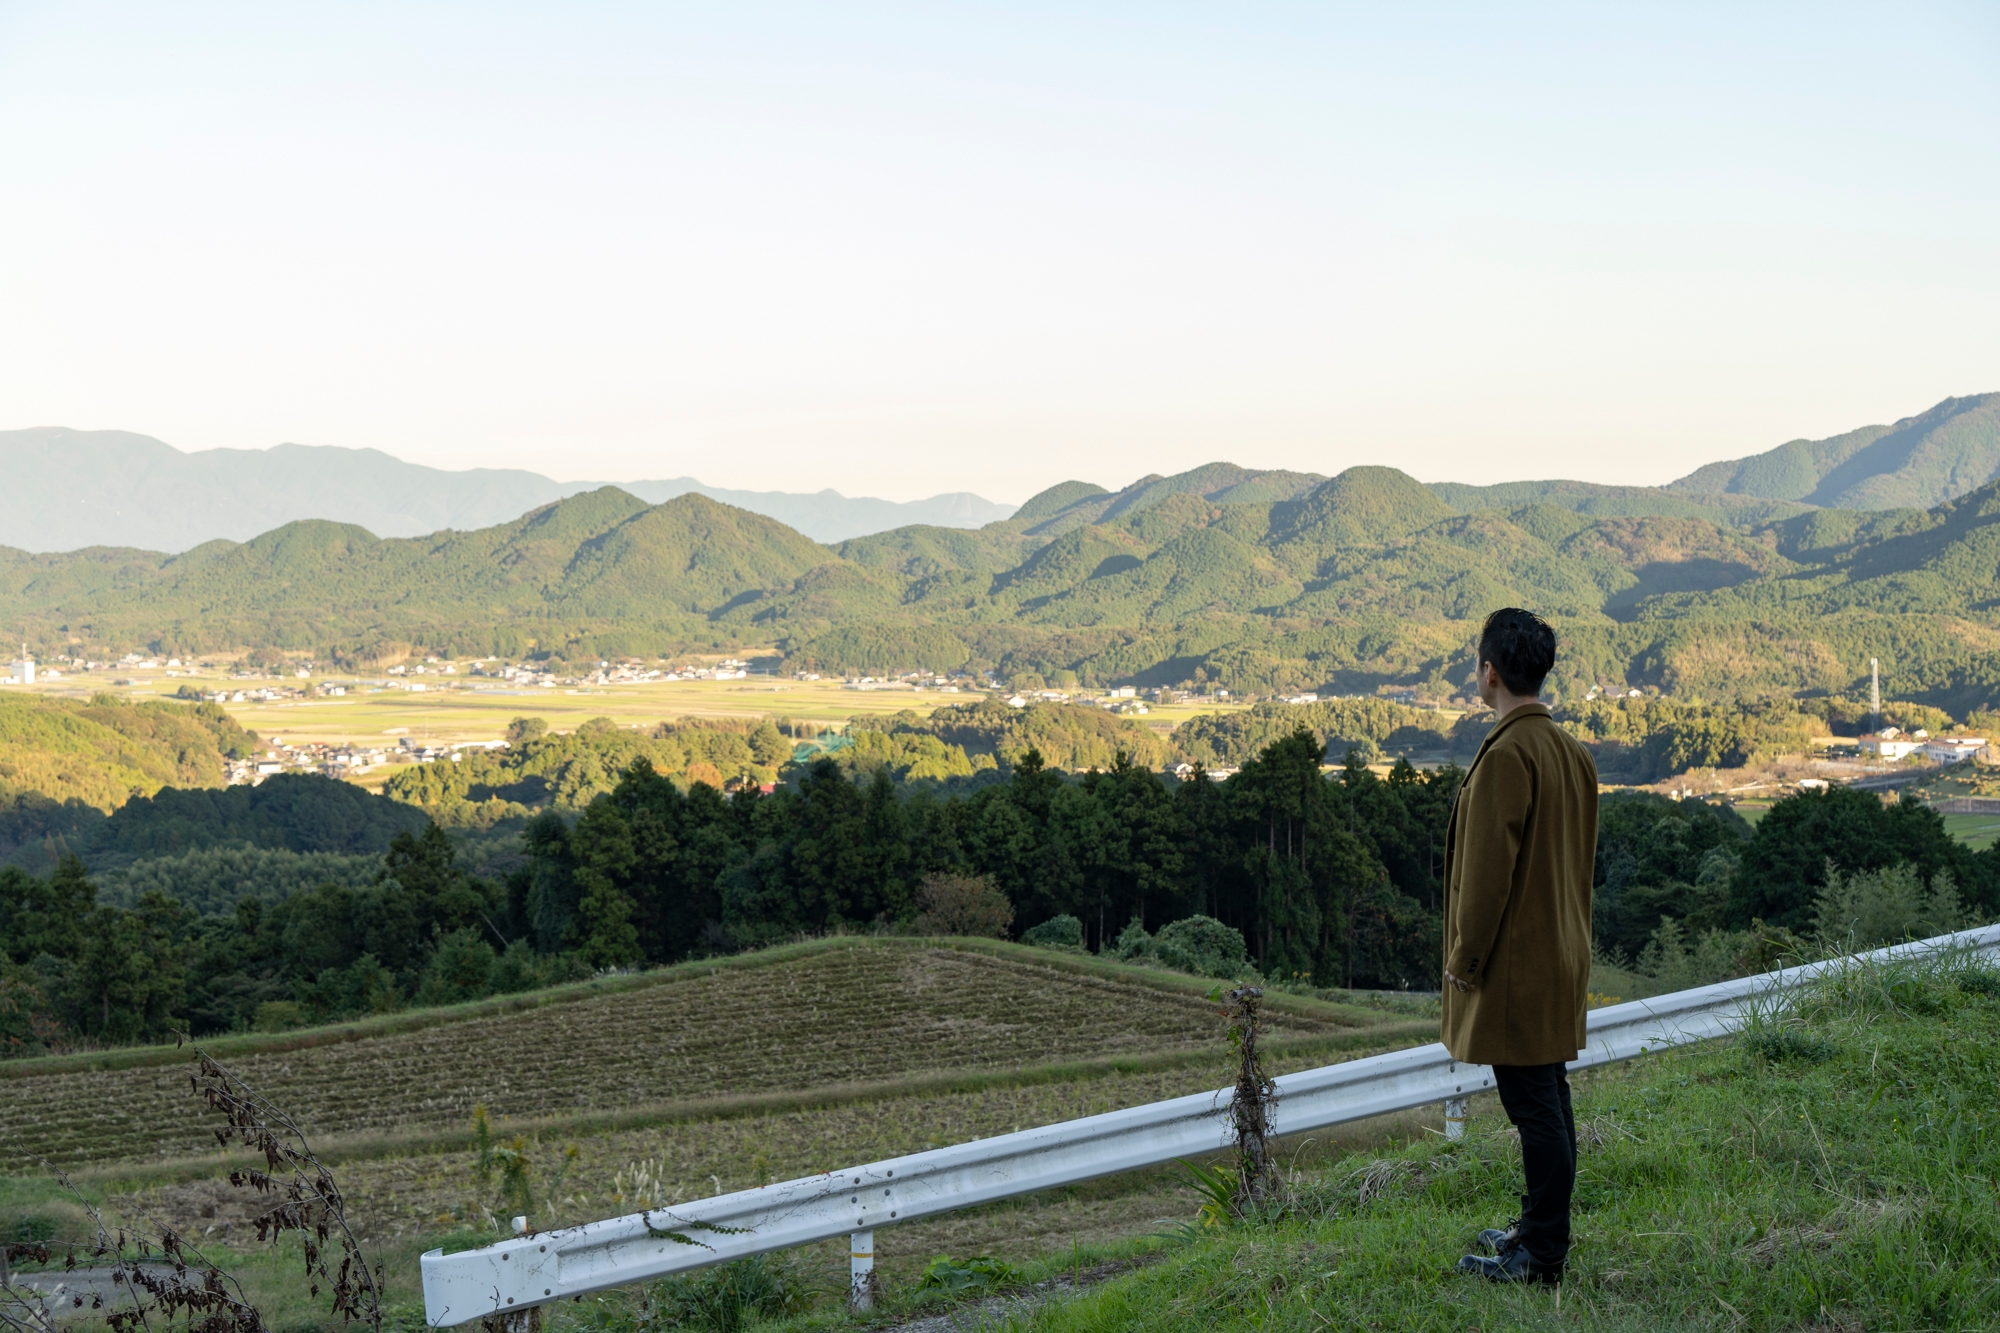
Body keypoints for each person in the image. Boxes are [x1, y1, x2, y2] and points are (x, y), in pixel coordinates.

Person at [1442, 608, 1598, 1285]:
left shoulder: (1507, 754)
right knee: (1549, 1099)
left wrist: (1464, 961)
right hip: (1561, 951)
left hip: (1517, 966)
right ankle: (1538, 1232)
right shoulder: (1570, 751)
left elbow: (1485, 879)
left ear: (1490, 672)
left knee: (1535, 1108)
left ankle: (1541, 1253)